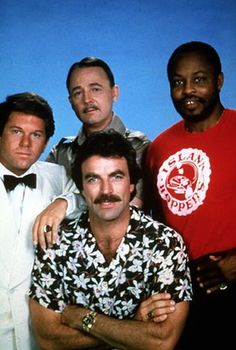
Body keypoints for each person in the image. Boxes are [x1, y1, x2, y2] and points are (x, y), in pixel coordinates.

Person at [29, 130, 192, 350]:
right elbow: (49, 339)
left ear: (132, 185)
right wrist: (131, 326)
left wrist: (84, 319)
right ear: (81, 189)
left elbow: (161, 341)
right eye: (93, 179)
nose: (106, 191)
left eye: (116, 177)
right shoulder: (56, 242)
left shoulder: (165, 244)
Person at [146, 41, 236, 349]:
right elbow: (155, 223)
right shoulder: (158, 148)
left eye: (199, 79)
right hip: (184, 294)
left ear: (219, 81)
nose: (188, 90)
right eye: (178, 83)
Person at [33, 57, 150, 248]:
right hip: (66, 263)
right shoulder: (61, 152)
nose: (87, 99)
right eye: (78, 93)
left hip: (128, 255)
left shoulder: (140, 147)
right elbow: (37, 204)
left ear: (114, 93)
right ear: (70, 101)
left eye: (95, 89)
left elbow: (119, 209)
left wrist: (65, 202)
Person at [0, 92, 80, 350]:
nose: (26, 143)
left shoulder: (56, 175)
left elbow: (89, 197)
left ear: (46, 143)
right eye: (16, 131)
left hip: (35, 330)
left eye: (36, 135)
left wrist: (63, 203)